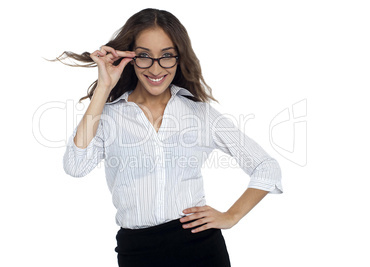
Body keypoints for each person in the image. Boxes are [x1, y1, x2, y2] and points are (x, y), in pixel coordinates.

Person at [53, 8, 283, 267]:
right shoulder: (108, 115)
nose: (155, 68)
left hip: (201, 248)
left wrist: (232, 216)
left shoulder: (199, 114)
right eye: (144, 56)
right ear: (130, 57)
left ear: (178, 57)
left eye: (166, 56)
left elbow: (266, 167)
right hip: (137, 252)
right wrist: (104, 87)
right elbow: (75, 166)